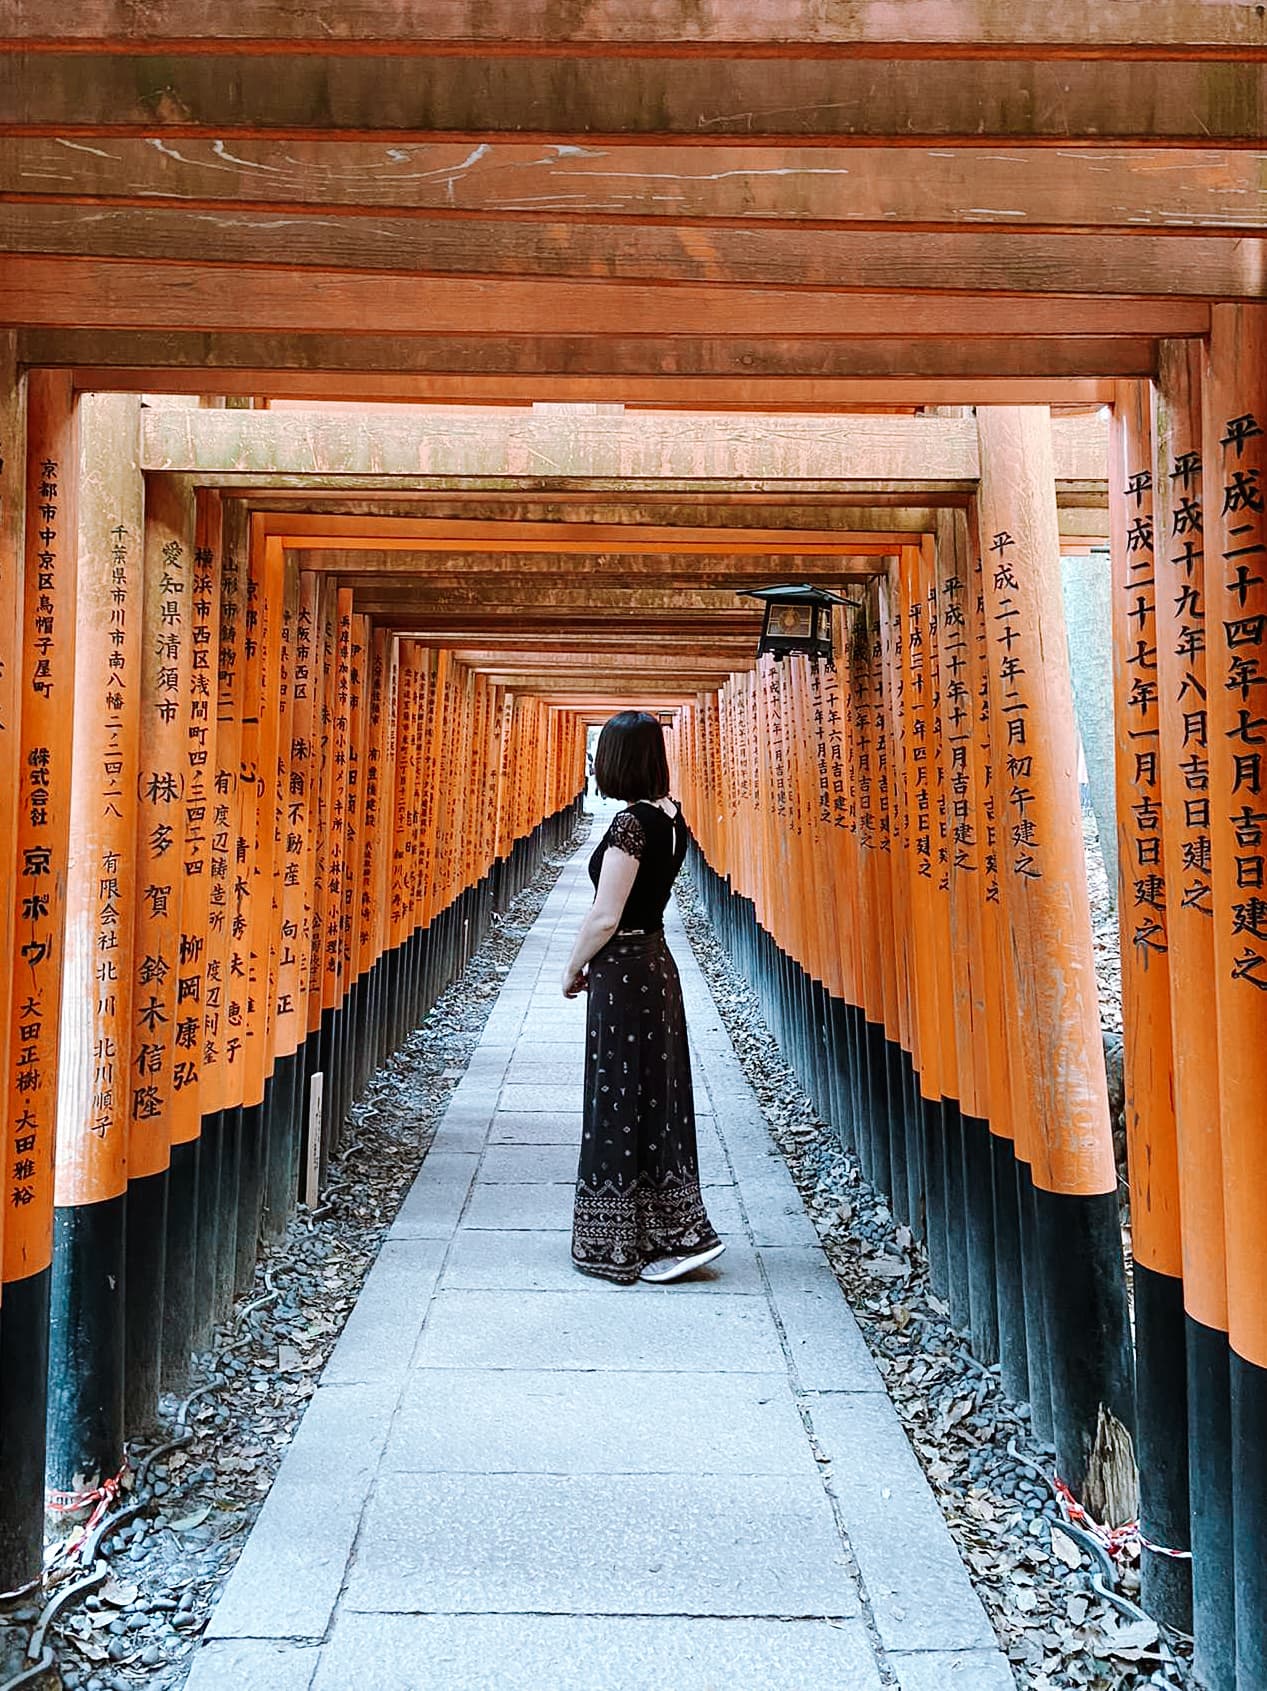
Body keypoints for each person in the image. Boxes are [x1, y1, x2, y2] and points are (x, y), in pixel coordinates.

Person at [562, 711, 724, 1284]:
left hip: (625, 972)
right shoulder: (672, 817)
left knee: (620, 1097)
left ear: (616, 761)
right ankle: (676, 1228)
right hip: (657, 966)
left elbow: (606, 915)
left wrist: (572, 965)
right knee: (659, 1094)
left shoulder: (631, 825)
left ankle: (624, 1241)